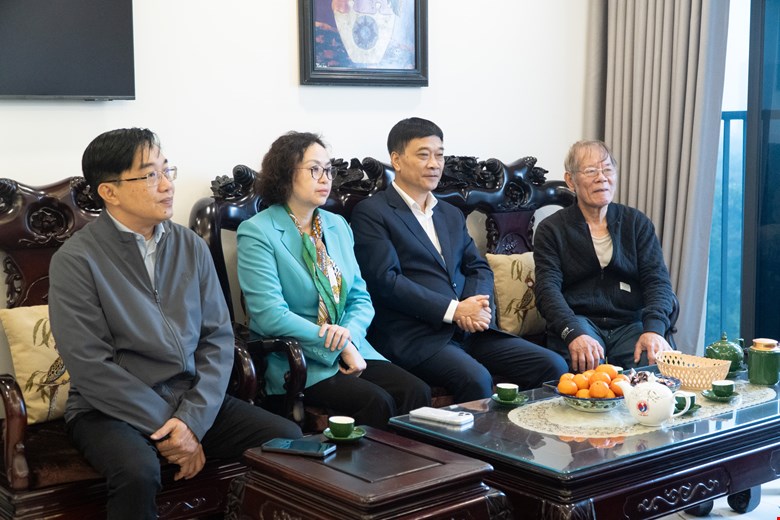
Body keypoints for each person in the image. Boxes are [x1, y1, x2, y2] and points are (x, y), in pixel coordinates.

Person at [48, 128, 302, 520]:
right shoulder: (76, 260)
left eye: (167, 171)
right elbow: (91, 366)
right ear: (109, 192)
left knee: (288, 440)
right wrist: (175, 429)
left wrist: (191, 421)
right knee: (137, 472)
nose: (167, 185)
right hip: (108, 408)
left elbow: (218, 338)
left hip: (188, 396)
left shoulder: (190, 246)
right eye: (150, 175)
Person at [349, 117, 568, 403]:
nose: (434, 164)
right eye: (423, 155)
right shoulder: (373, 212)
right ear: (397, 160)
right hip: (418, 337)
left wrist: (475, 306)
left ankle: (526, 432)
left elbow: (477, 267)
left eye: (439, 155)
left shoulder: (449, 213)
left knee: (552, 365)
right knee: (476, 379)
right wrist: (454, 310)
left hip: (470, 330)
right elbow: (386, 282)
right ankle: (477, 436)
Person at [236, 131, 430, 428]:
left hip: (352, 346)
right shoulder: (257, 231)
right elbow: (270, 315)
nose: (325, 178)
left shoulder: (336, 225)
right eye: (314, 169)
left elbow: (360, 298)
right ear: (285, 174)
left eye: (328, 170)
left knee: (416, 391)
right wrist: (340, 346)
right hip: (299, 358)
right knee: (376, 401)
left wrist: (348, 336)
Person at [533, 139, 676, 372]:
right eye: (591, 171)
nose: (602, 178)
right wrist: (573, 332)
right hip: (579, 321)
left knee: (656, 369)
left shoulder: (636, 223)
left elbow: (657, 281)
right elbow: (547, 291)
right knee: (588, 372)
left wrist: (654, 330)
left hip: (630, 323)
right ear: (570, 180)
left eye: (608, 169)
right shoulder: (552, 230)